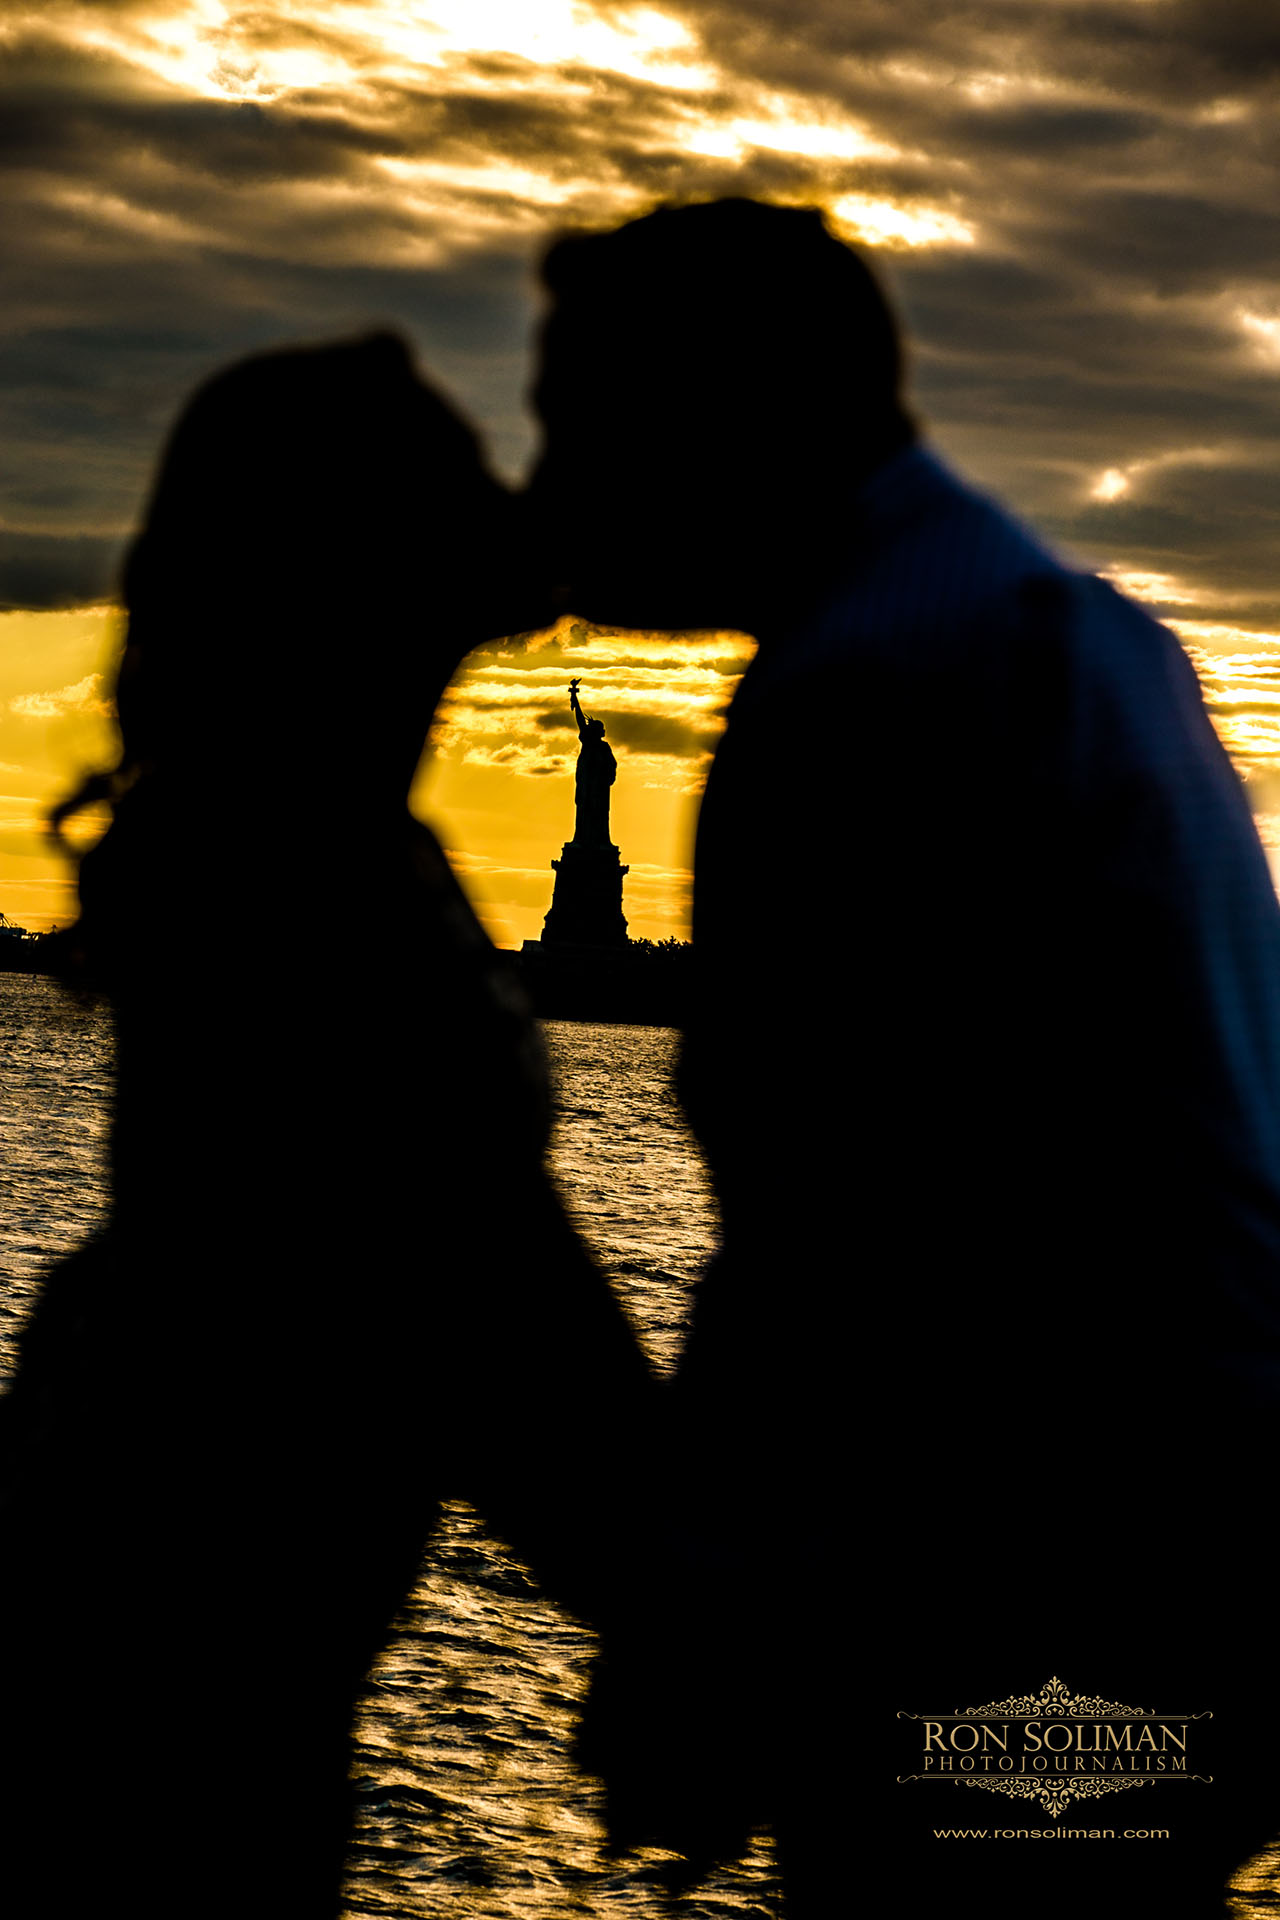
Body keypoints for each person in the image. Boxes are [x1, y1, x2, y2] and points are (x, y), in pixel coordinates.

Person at [530, 198, 1280, 1915]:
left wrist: (703, 1640)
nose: (555, 489)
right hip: (1208, 1566)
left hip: (1033, 1594)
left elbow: (828, 1244)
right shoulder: (1083, 631)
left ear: (723, 418)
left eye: (584, 427)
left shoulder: (861, 690)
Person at [0, 333, 660, 1917]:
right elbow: (515, 1341)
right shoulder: (331, 904)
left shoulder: (233, 839)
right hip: (176, 1727)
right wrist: (739, 1651)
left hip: (126, 1635)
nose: (454, 663)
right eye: (431, 618)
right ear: (367, 619)